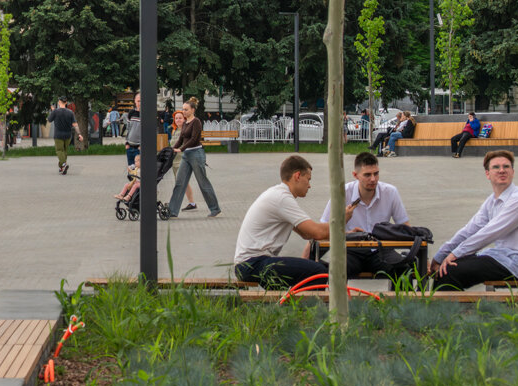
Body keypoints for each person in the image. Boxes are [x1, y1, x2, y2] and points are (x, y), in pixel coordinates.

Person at [234, 154, 357, 289]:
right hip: (254, 264)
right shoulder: (282, 198)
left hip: (251, 264)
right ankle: (306, 307)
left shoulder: (278, 194)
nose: (309, 185)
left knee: (313, 268)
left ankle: (293, 305)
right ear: (297, 176)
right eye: (308, 179)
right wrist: (342, 219)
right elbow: (317, 233)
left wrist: (347, 233)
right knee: (319, 272)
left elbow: (306, 234)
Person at [431, 150, 518, 290]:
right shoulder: (492, 201)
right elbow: (469, 230)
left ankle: (443, 311)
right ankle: (443, 309)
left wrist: (454, 254)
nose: (502, 170)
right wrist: (440, 256)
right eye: (496, 167)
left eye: (506, 167)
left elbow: (488, 234)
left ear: (513, 172)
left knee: (451, 271)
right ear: (487, 174)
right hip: (501, 257)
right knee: (446, 267)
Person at [316, 151, 411, 277]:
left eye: (376, 173)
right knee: (336, 269)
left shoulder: (390, 192)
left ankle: (398, 297)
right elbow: (322, 230)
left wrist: (420, 254)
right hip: (351, 250)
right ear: (355, 175)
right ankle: (337, 297)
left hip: (381, 249)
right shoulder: (342, 193)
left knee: (404, 270)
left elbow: (405, 227)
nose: (373, 179)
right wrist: (343, 222)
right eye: (367, 175)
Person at [168, 97, 222, 218]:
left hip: (196, 154)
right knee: (180, 183)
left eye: (186, 109)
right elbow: (181, 139)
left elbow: (194, 139)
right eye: (183, 109)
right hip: (186, 156)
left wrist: (180, 149)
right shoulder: (185, 123)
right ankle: (172, 211)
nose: (184, 112)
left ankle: (215, 208)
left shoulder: (196, 122)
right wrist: (173, 150)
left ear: (192, 110)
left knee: (202, 182)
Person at [168, 110, 197, 211]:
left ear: (184, 119)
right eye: (176, 118)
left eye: (180, 118)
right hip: (174, 161)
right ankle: (192, 203)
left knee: (180, 183)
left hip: (182, 160)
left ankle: (174, 205)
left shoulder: (186, 130)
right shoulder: (174, 130)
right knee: (183, 183)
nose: (178, 120)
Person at [48, 98, 82, 175]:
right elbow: (75, 125)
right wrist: (79, 134)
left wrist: (52, 111)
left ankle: (63, 164)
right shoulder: (70, 112)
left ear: (59, 102)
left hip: (58, 135)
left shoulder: (55, 111)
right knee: (65, 151)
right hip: (68, 135)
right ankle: (61, 167)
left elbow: (49, 120)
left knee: (59, 150)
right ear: (66, 102)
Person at [123, 92, 142, 170]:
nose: (139, 103)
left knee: (138, 170)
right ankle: (131, 182)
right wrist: (127, 143)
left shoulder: (146, 114)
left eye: (141, 101)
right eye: (138, 101)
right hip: (130, 146)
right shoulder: (131, 113)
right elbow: (128, 128)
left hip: (139, 147)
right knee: (131, 170)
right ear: (135, 101)